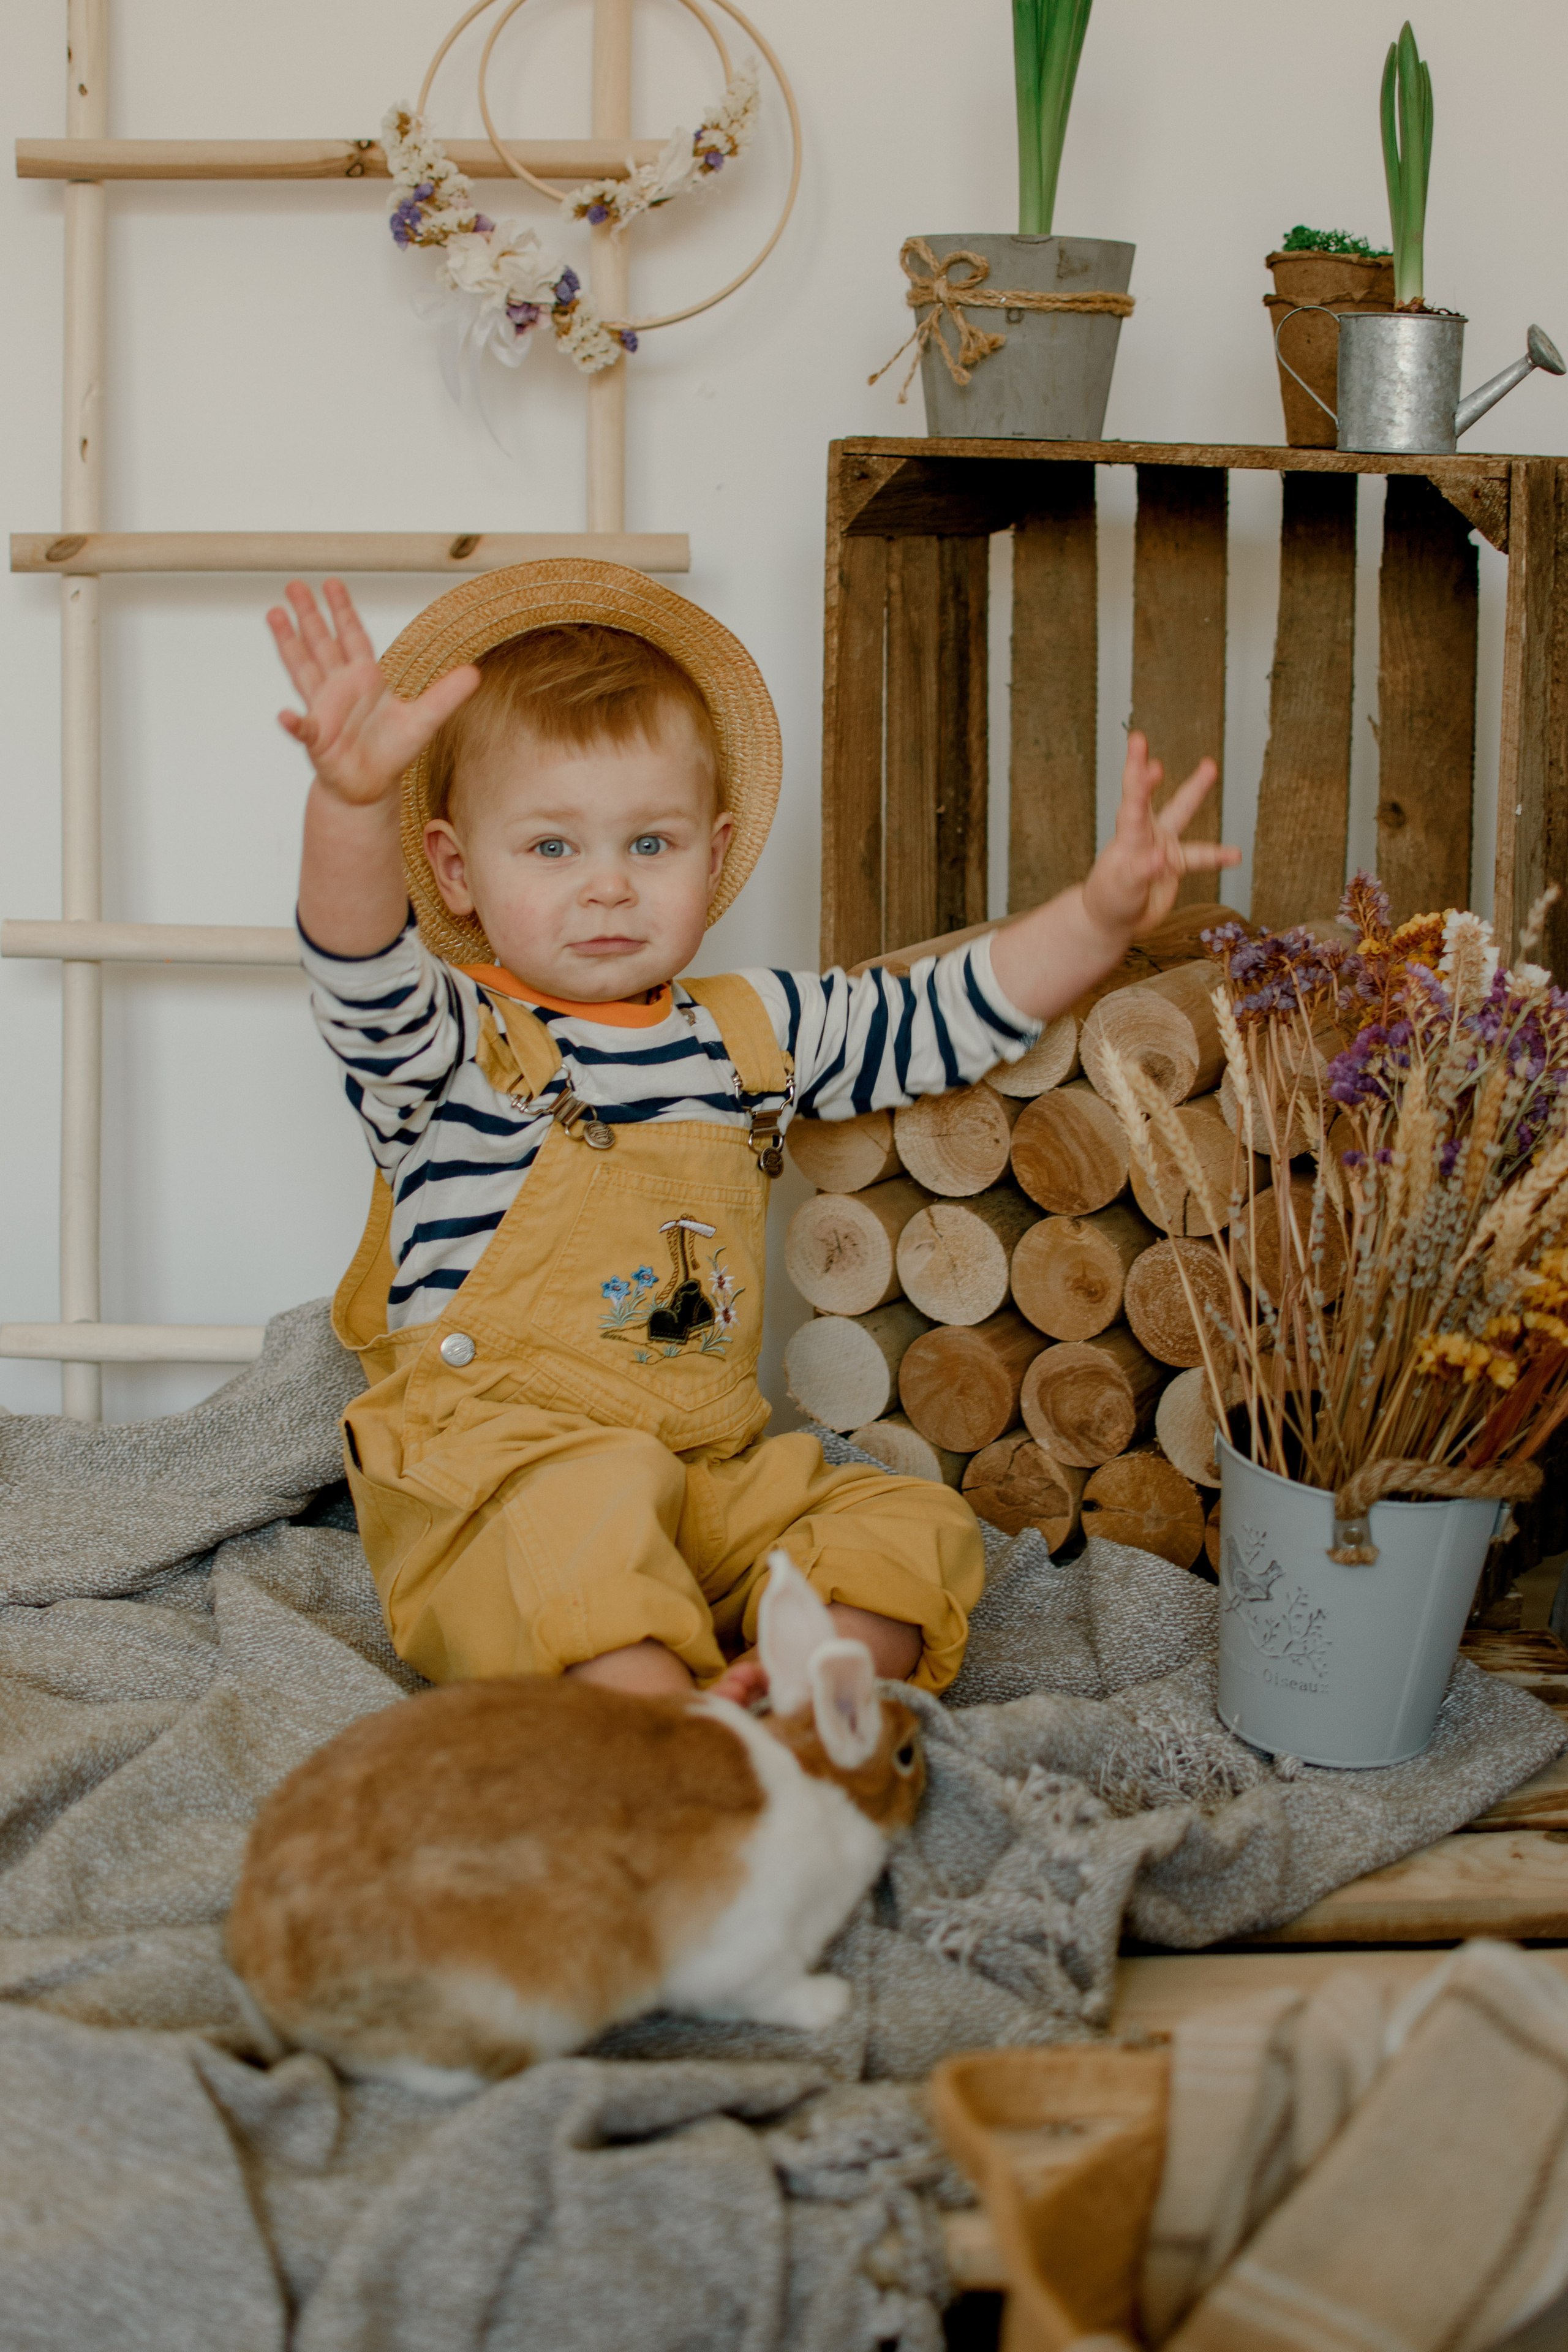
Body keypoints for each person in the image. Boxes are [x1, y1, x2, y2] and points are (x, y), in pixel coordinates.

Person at [272, 560, 1236, 1706]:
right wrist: (350, 804)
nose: (608, 890)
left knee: (910, 1520)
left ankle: (797, 1687)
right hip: (496, 1475)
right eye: (551, 848)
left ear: (715, 854)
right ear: (453, 869)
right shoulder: (454, 1043)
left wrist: (1097, 914)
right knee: (568, 1533)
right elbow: (357, 966)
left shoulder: (754, 1031)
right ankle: (661, 1723)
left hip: (704, 1478)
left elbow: (944, 1015)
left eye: (649, 845)